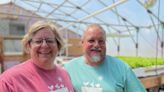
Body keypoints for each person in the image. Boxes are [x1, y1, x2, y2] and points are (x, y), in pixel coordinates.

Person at [64, 24, 146, 92]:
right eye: (91, 41)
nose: (96, 45)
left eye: (101, 41)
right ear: (82, 43)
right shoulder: (69, 68)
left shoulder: (122, 68)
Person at [0, 20, 74, 92]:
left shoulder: (64, 74)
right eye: (38, 41)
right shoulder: (9, 80)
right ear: (29, 46)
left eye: (49, 41)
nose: (44, 45)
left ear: (58, 45)